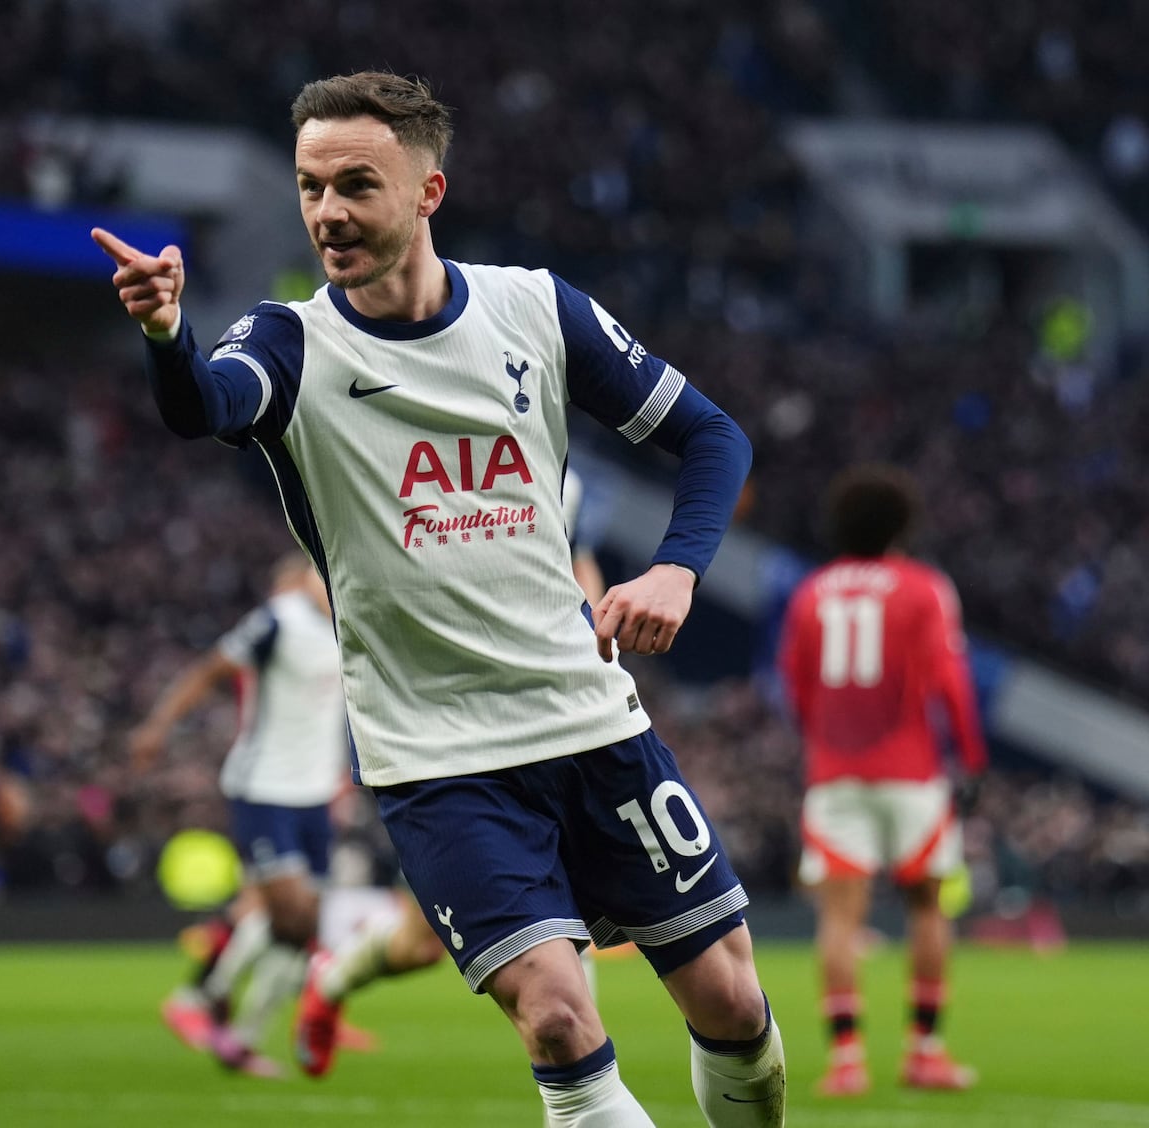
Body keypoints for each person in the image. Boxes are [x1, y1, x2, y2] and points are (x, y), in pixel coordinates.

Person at [95, 71, 783, 1127]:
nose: (327, 212)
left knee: (732, 1003)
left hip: (589, 719)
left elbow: (712, 436)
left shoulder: (535, 309)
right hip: (438, 756)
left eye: (356, 185)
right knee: (556, 1017)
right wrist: (164, 335)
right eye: (309, 187)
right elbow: (204, 407)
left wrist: (675, 565)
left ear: (427, 191)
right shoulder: (288, 343)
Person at [291, 465, 610, 1079]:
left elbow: (579, 566)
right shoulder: (394, 451)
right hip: (446, 741)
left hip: (546, 721)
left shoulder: (560, 474)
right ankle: (329, 982)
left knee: (554, 946)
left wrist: (594, 640)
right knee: (419, 946)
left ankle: (328, 983)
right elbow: (323, 573)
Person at [777, 464, 987, 1096]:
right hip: (911, 770)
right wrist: (971, 758)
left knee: (840, 918)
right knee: (927, 906)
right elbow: (949, 682)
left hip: (835, 773)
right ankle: (924, 1051)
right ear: (903, 525)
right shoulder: (924, 587)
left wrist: (823, 742)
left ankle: (847, 1063)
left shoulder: (811, 592)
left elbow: (795, 686)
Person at [130, 555, 347, 1076]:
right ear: (306, 578)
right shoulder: (278, 620)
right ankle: (201, 997)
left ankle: (241, 1037)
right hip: (264, 788)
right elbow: (210, 668)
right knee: (291, 913)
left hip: (315, 793)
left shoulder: (350, 620)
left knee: (298, 925)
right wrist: (158, 726)